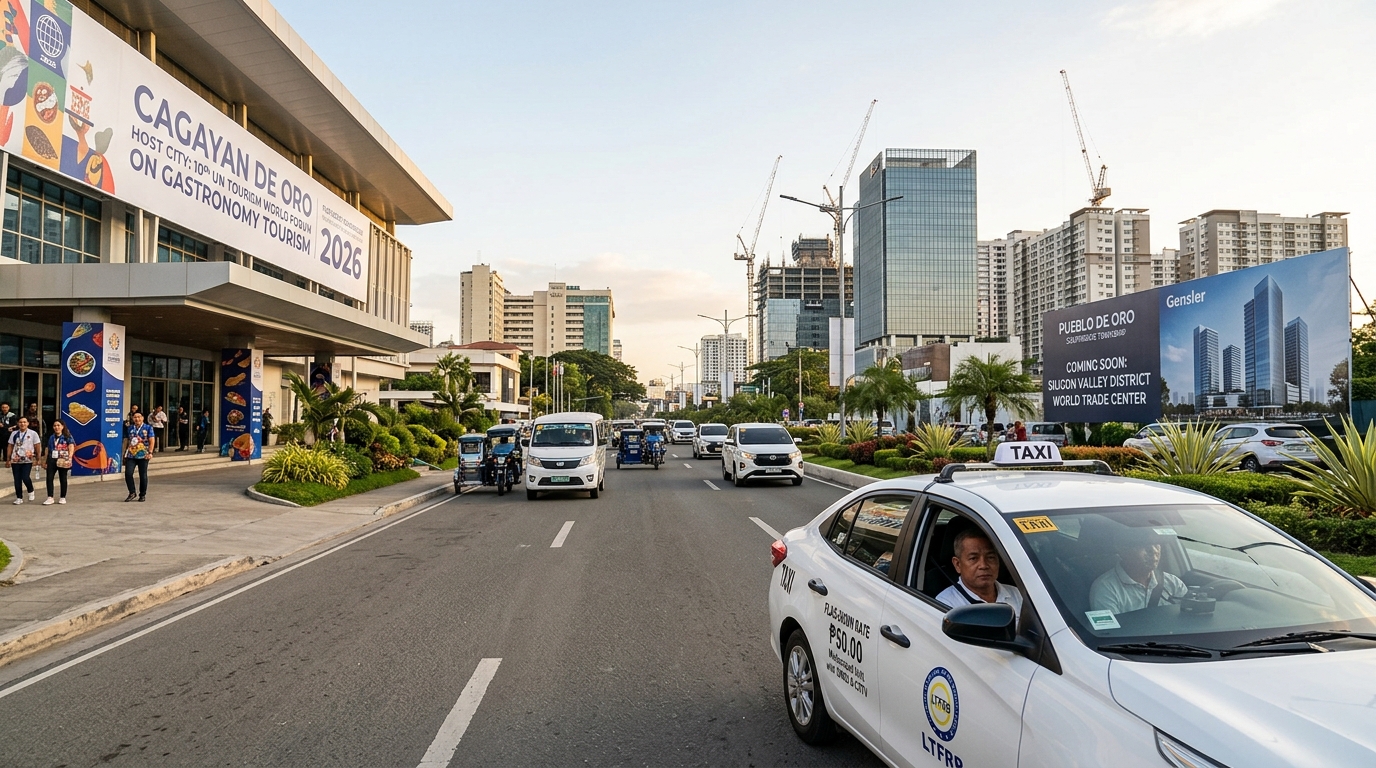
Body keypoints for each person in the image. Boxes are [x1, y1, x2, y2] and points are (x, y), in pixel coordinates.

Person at [1090, 529, 1188, 615]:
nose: (1154, 551)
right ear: (1122, 550)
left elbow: (1188, 618)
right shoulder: (1106, 589)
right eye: (1143, 545)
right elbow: (1109, 632)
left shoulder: (1173, 583)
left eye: (1156, 544)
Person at [936, 526, 1024, 615]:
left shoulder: (1017, 595)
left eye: (990, 557)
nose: (983, 565)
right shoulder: (946, 604)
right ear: (957, 564)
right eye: (973, 558)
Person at [123, 411, 155, 502]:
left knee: (143, 475)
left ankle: (142, 494)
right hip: (131, 455)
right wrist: (124, 453)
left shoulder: (148, 428)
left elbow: (151, 440)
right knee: (128, 473)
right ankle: (132, 492)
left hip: (143, 455)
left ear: (143, 418)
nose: (137, 419)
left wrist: (150, 452)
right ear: (133, 418)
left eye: (139, 417)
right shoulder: (130, 428)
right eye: (135, 417)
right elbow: (127, 440)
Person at [7, 416, 39, 504]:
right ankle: (19, 497)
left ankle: (30, 490)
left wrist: (38, 458)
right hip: (16, 459)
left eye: (24, 422)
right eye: (20, 422)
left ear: (28, 423)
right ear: (18, 423)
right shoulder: (14, 434)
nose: (22, 424)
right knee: (17, 479)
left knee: (25, 477)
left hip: (27, 459)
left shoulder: (33, 434)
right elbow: (10, 446)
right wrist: (8, 459)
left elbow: (37, 446)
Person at [43, 419, 73, 505]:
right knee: (49, 478)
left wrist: (69, 457)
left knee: (63, 478)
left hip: (63, 459)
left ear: (62, 426)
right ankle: (50, 497)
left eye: (58, 425)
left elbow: (71, 446)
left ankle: (62, 497)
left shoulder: (67, 436)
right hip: (52, 459)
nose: (56, 427)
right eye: (55, 426)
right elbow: (47, 449)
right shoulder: (51, 437)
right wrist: (45, 461)